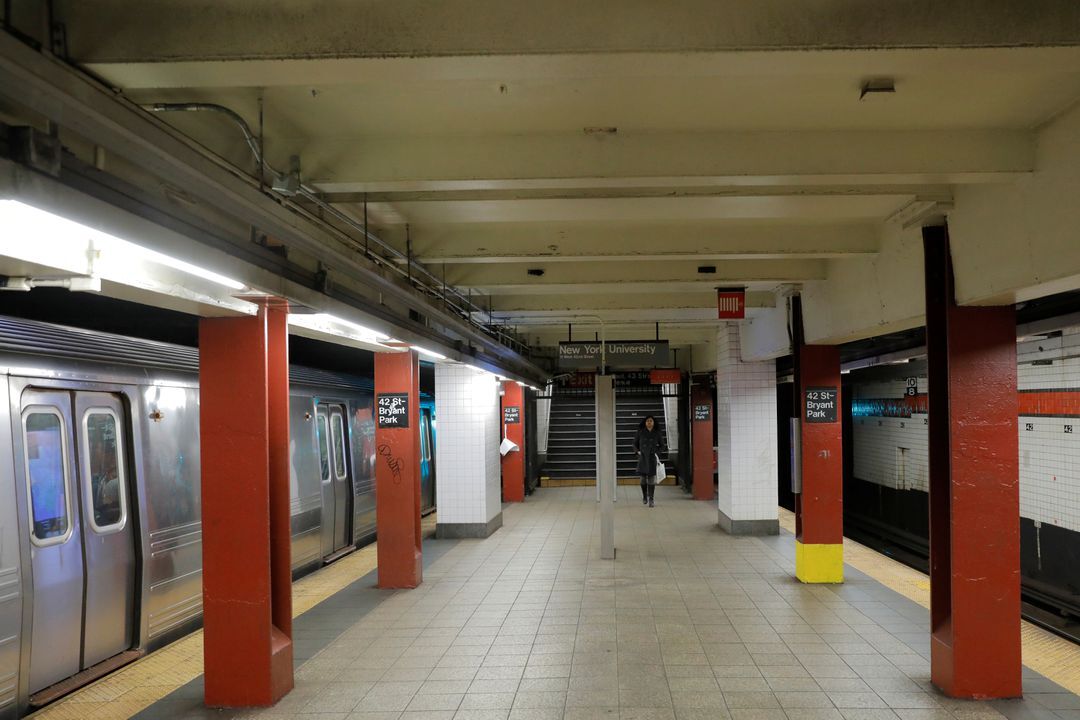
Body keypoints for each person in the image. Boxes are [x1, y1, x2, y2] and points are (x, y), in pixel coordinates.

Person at [633, 415, 666, 507]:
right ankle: (644, 496)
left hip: (652, 458)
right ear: (645, 422)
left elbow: (662, 446)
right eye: (647, 421)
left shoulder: (657, 433)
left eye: (651, 421)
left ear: (654, 422)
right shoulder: (640, 432)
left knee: (651, 480)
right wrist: (637, 452)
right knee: (643, 480)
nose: (649, 423)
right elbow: (634, 444)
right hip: (643, 458)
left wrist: (657, 453)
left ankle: (651, 499)